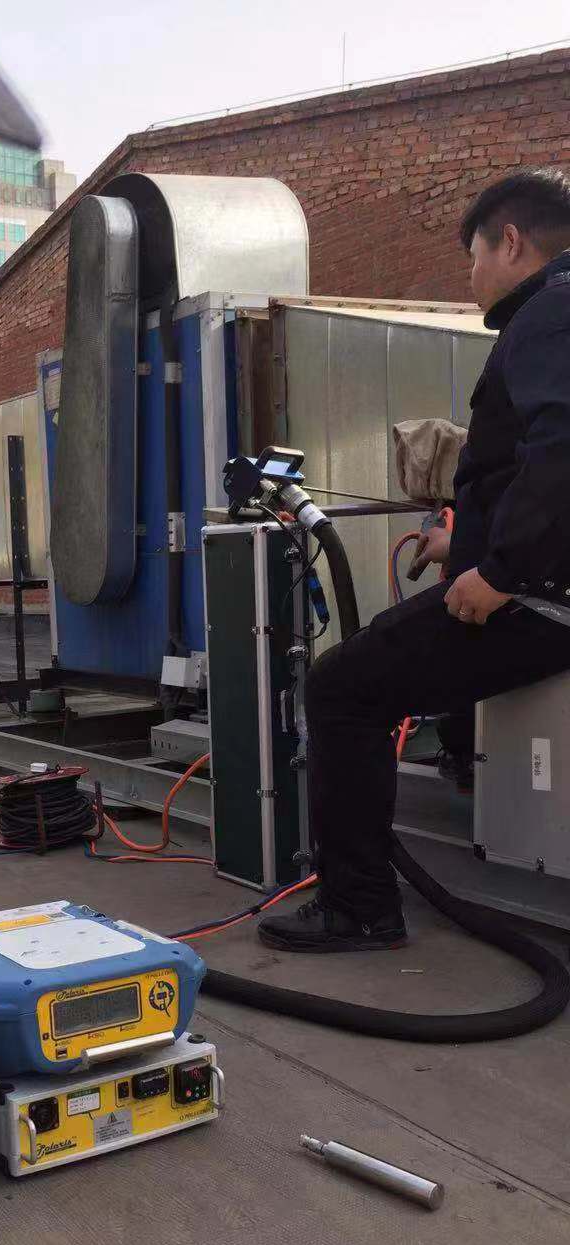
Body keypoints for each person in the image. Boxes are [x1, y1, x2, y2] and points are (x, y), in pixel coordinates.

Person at [259, 167, 570, 952]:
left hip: (537, 597)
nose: (470, 278)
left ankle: (359, 906)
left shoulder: (551, 312)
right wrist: (463, 545)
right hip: (534, 580)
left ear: (510, 242)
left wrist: (500, 572)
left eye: (474, 257)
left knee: (341, 688)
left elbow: (563, 449)